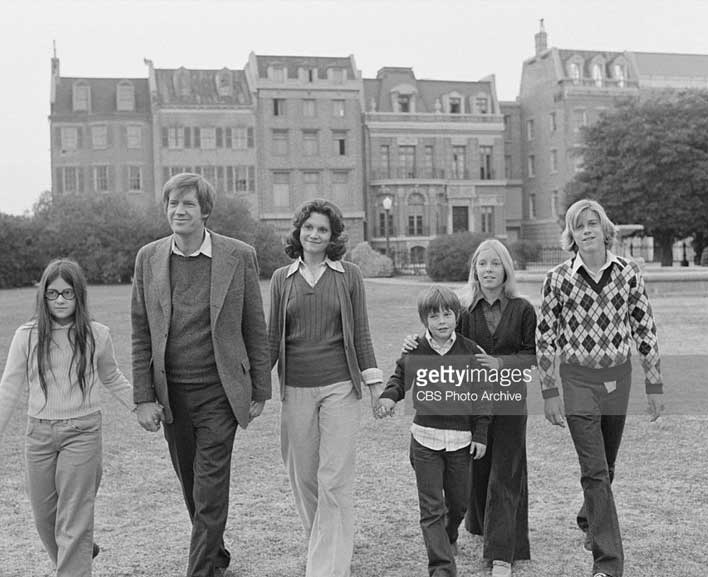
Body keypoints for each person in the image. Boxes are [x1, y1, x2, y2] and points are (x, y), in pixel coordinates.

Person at [131, 173, 270, 577]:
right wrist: (143, 397)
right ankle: (216, 553)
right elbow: (141, 330)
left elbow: (254, 325)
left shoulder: (238, 255)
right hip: (172, 394)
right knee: (192, 486)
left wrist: (260, 387)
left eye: (188, 204)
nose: (179, 210)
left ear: (205, 210)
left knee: (209, 488)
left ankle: (201, 570)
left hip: (221, 393)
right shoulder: (149, 257)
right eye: (173, 203)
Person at [0, 258, 133, 577]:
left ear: (79, 295)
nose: (60, 300)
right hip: (39, 435)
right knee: (45, 517)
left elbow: (112, 376)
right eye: (53, 293)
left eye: (67, 293)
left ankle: (74, 561)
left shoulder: (97, 334)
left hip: (83, 432)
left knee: (73, 519)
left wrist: (142, 405)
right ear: (43, 296)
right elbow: (9, 387)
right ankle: (78, 553)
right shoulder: (26, 336)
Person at [537, 199, 664, 577]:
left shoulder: (628, 273)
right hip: (577, 381)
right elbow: (545, 338)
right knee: (593, 470)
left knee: (606, 466)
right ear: (571, 235)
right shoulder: (558, 278)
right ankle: (608, 564)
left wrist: (654, 383)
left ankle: (588, 516)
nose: (587, 230)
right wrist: (549, 391)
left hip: (618, 380)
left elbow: (645, 328)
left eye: (593, 223)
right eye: (579, 226)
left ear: (605, 228)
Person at [400, 240, 534, 577]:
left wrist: (501, 363)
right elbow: (440, 338)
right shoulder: (462, 310)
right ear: (474, 269)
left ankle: (503, 553)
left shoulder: (523, 309)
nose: (488, 270)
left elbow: (532, 356)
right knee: (477, 467)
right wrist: (414, 342)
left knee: (507, 471)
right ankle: (472, 525)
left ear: (506, 269)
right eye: (482, 264)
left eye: (495, 264)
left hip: (508, 400)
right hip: (467, 404)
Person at [267, 199, 383, 577]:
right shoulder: (282, 279)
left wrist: (374, 385)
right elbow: (271, 341)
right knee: (304, 479)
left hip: (339, 389)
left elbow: (362, 333)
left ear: (333, 237)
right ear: (298, 232)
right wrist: (252, 389)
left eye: (323, 230)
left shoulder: (348, 275)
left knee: (333, 479)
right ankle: (327, 544)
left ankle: (328, 568)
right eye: (309, 228)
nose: (315, 235)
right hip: (297, 389)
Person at [376, 284, 489, 577]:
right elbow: (399, 378)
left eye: (447, 314)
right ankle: (441, 568)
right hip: (425, 441)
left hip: (461, 443)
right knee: (431, 509)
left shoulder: (471, 351)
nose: (441, 321)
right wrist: (389, 396)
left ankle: (450, 534)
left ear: (457, 316)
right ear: (424, 319)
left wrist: (480, 435)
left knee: (459, 503)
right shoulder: (417, 349)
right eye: (434, 316)